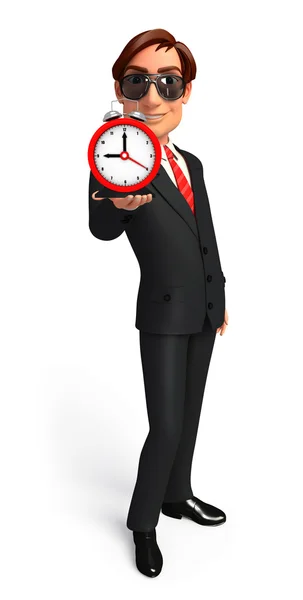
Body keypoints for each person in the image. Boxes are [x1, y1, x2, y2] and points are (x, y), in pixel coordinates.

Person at [88, 28, 229, 578]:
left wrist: (219, 295)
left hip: (202, 308)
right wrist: (119, 200)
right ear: (120, 89)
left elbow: (205, 235)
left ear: (186, 93)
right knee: (166, 424)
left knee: (190, 416)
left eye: (167, 84)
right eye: (137, 82)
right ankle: (143, 522)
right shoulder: (113, 154)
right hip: (163, 310)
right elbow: (100, 225)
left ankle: (178, 495)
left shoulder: (191, 162)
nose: (152, 98)